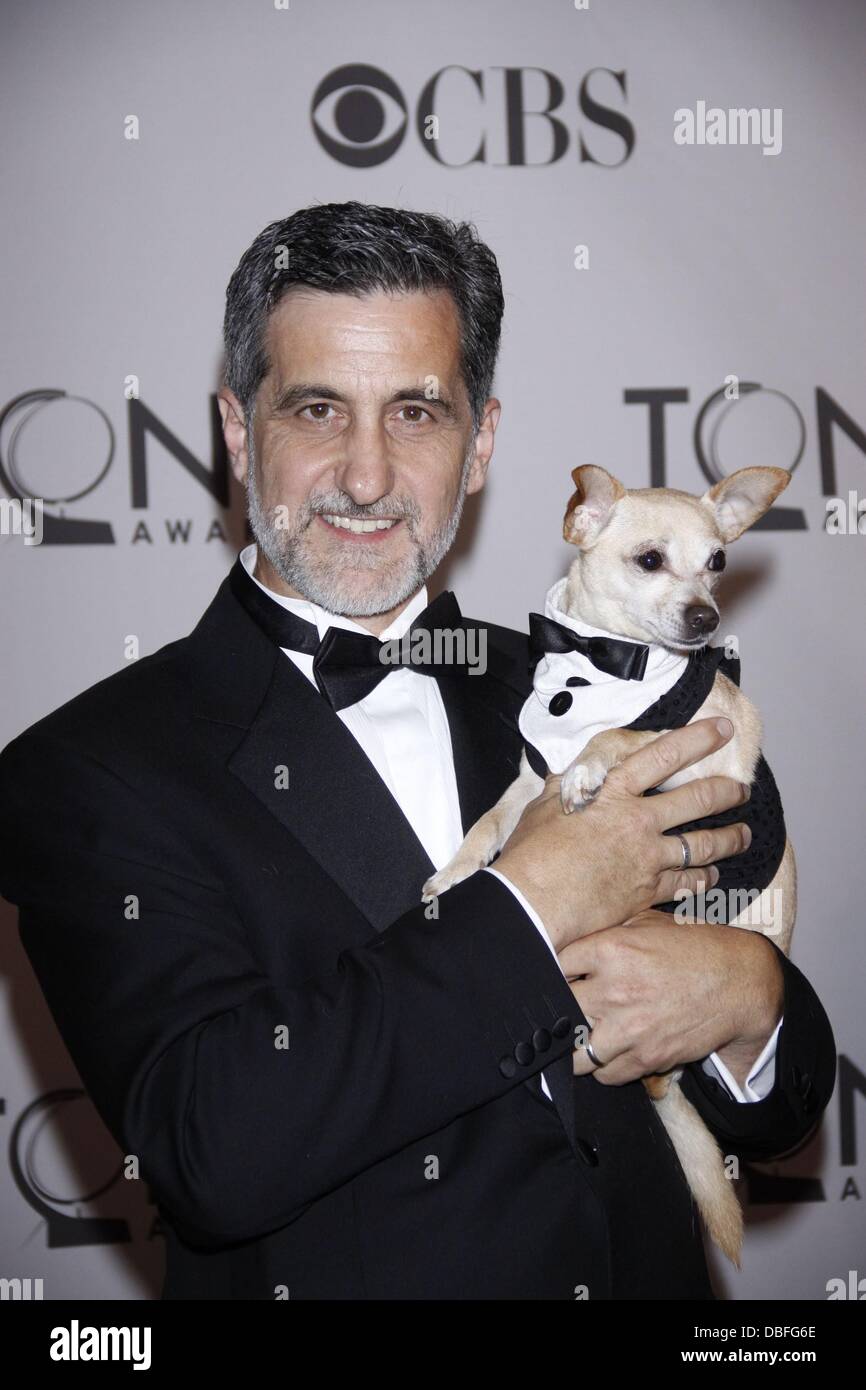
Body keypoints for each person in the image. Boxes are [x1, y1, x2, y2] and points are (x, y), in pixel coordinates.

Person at [0, 202, 835, 1300]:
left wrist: (750, 995)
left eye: (415, 412)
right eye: (314, 408)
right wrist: (525, 902)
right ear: (238, 432)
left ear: (479, 442)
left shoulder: (583, 682)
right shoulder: (84, 772)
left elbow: (778, 1105)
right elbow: (209, 1150)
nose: (364, 474)